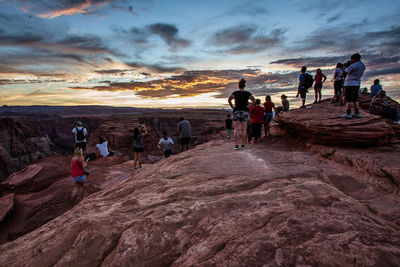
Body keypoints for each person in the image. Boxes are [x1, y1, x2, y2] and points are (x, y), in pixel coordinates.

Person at [228, 78, 256, 150]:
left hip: (236, 111)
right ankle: (243, 145)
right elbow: (254, 100)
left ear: (238, 86)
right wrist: (248, 106)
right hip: (245, 112)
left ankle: (236, 145)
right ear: (244, 86)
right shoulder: (247, 93)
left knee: (236, 129)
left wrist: (232, 106)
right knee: (244, 129)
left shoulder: (235, 93)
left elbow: (229, 99)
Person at [339, 53, 365, 119]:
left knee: (349, 99)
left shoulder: (353, 66)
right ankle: (357, 113)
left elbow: (343, 74)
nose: (351, 60)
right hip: (357, 83)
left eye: (352, 59)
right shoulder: (362, 65)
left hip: (349, 83)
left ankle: (348, 114)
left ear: (354, 59)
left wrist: (344, 67)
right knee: (355, 99)